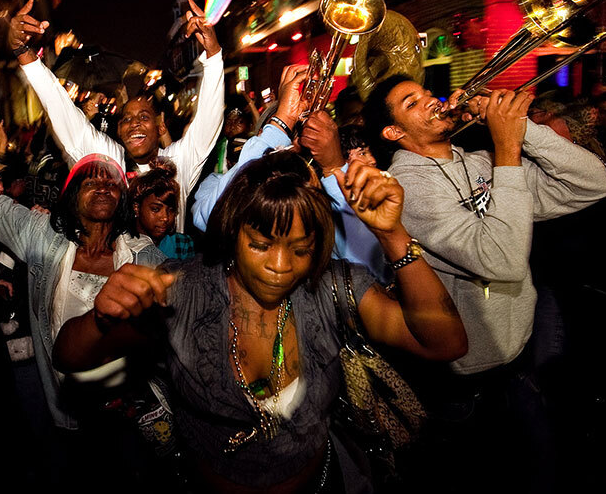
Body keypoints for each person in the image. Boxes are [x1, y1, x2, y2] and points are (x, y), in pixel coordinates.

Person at [54, 150, 467, 493]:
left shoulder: (331, 288)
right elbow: (68, 355)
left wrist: (393, 236)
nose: (281, 266)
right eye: (261, 245)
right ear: (234, 233)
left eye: (301, 249)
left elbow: (444, 343)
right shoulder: (183, 291)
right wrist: (100, 317)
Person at [362, 75, 606, 492]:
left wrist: (522, 129)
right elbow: (502, 260)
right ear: (395, 132)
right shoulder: (406, 186)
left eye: (426, 92)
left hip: (519, 344)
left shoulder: (479, 162)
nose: (430, 100)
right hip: (468, 372)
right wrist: (509, 150)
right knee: (486, 470)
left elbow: (595, 183)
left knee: (539, 459)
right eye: (412, 102)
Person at [7, 0, 224, 232]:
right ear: (118, 129)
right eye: (126, 119)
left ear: (160, 126)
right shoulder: (110, 164)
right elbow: (60, 107)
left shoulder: (178, 163)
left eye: (144, 117)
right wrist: (22, 51)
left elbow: (209, 117)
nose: (134, 125)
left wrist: (213, 54)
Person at [193, 65, 388, 283]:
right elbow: (215, 217)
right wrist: (282, 122)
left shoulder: (327, 191)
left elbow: (368, 269)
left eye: (302, 135)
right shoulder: (215, 182)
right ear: (261, 138)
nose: (295, 143)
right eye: (284, 137)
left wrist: (334, 166)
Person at [127, 158, 194, 260]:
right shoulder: (122, 244)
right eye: (155, 209)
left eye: (171, 210)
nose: (165, 218)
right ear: (136, 207)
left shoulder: (182, 244)